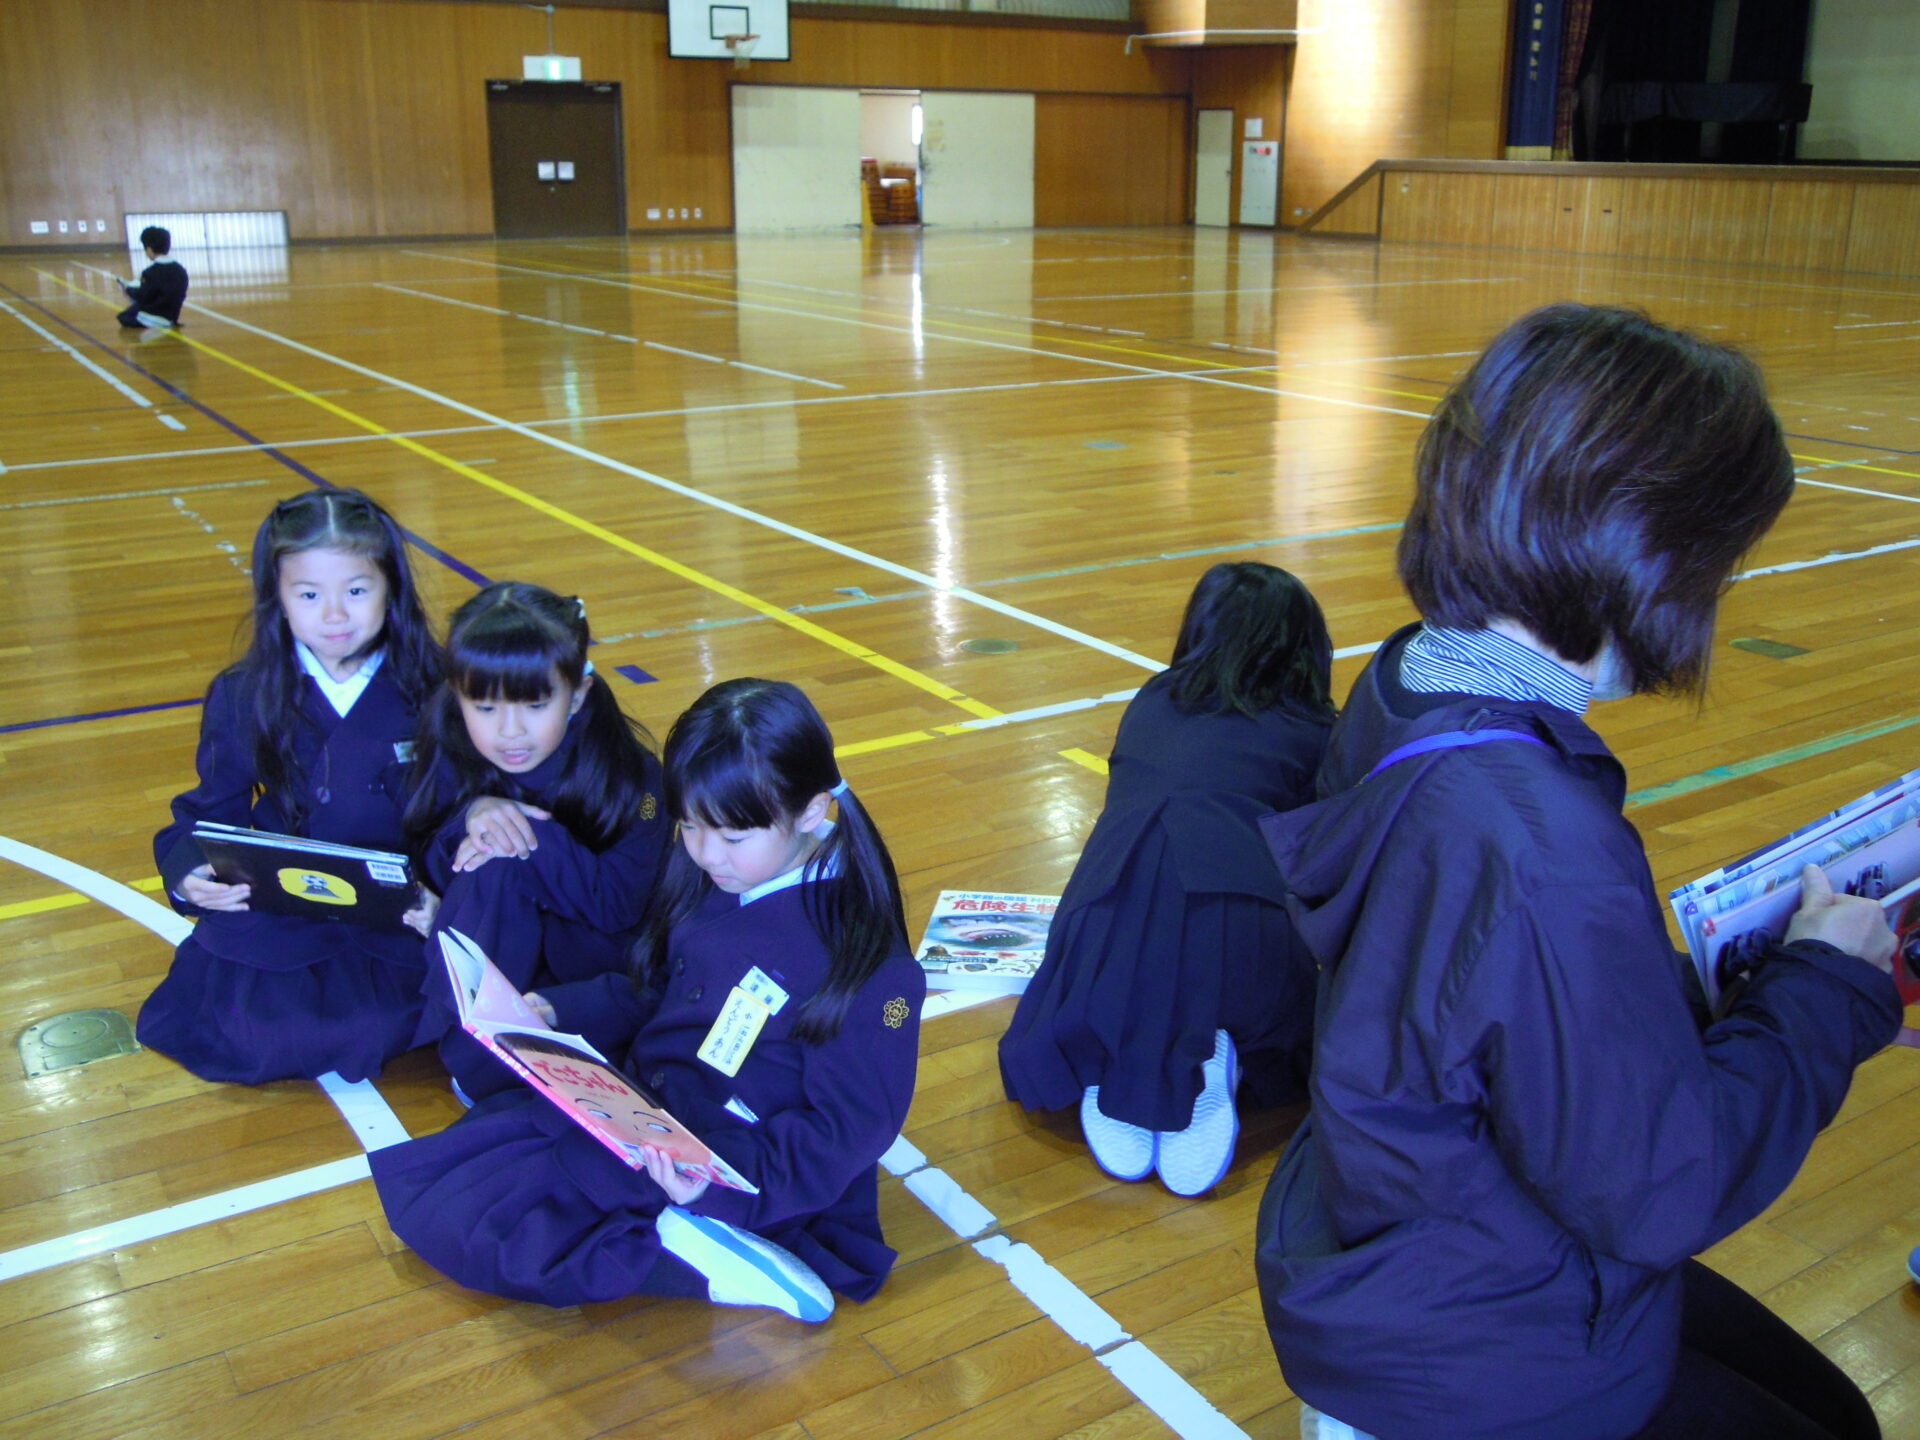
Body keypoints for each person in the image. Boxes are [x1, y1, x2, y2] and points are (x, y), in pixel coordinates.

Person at [1253, 304, 1902, 1440]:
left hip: (1414, 1218)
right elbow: (1664, 1189)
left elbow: (1498, 1007)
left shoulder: (1414, 675)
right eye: (1718, 561)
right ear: (1645, 550)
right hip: (1490, 1327)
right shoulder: (1540, 842)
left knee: (1830, 1407)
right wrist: (1827, 990)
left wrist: (1712, 986)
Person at [373, 678, 924, 1321]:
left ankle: (706, 1256)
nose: (705, 853)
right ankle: (684, 1232)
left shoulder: (869, 961)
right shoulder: (714, 863)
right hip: (660, 1111)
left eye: (733, 838)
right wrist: (559, 1010)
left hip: (754, 1172)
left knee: (512, 1232)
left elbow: (846, 1133)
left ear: (811, 812)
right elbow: (658, 985)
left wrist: (719, 1181)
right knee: (462, 1177)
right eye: (689, 826)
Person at [998, 562, 1335, 1195]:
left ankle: (1111, 1056)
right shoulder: (1313, 731)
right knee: (1229, 947)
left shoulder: (1151, 700)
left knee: (1129, 954)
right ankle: (1213, 1052)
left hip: (1098, 918)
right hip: (1239, 931)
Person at [138, 489, 442, 1083]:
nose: (334, 615)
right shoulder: (245, 692)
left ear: (391, 590)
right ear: (277, 600)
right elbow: (208, 810)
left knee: (382, 1022)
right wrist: (192, 874)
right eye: (308, 595)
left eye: (356, 591)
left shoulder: (435, 686)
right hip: (288, 900)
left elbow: (460, 809)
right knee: (255, 1034)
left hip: (396, 906)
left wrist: (444, 894)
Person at [404, 582, 671, 1102]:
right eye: (484, 707)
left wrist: (529, 839)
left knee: (504, 854)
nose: (510, 732)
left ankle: (499, 1042)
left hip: (594, 957)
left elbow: (621, 906)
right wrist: (472, 817)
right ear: (457, 699)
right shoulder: (454, 743)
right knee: (491, 856)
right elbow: (425, 844)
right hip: (498, 935)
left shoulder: (635, 779)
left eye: (533, 704)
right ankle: (476, 1038)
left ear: (577, 696)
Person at [117, 225, 188, 330]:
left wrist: (128, 290)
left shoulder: (150, 272)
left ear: (149, 249)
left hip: (156, 316)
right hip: (172, 315)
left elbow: (143, 296)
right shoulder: (180, 270)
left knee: (123, 316)